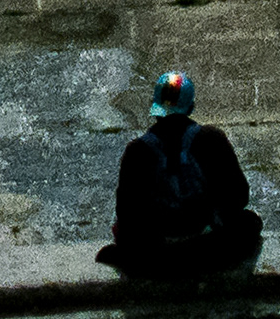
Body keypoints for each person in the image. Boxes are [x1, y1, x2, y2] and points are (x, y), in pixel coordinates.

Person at [105, 67, 260, 278]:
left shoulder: (137, 151)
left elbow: (126, 212)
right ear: (191, 107)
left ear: (155, 106)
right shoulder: (211, 139)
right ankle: (197, 255)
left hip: (156, 248)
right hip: (207, 242)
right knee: (249, 223)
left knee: (124, 235)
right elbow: (239, 196)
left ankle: (163, 259)